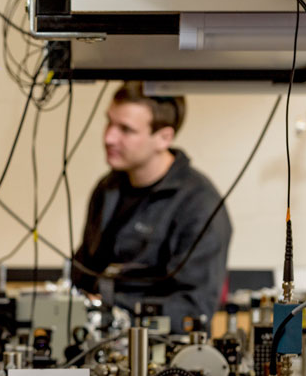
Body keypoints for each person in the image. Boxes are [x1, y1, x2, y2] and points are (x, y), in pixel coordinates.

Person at [71, 82, 231, 330]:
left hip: (159, 353)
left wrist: (113, 309)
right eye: (109, 122)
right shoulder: (107, 188)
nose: (109, 137)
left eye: (126, 129)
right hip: (98, 341)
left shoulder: (199, 204)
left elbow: (193, 308)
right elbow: (84, 272)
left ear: (163, 137)